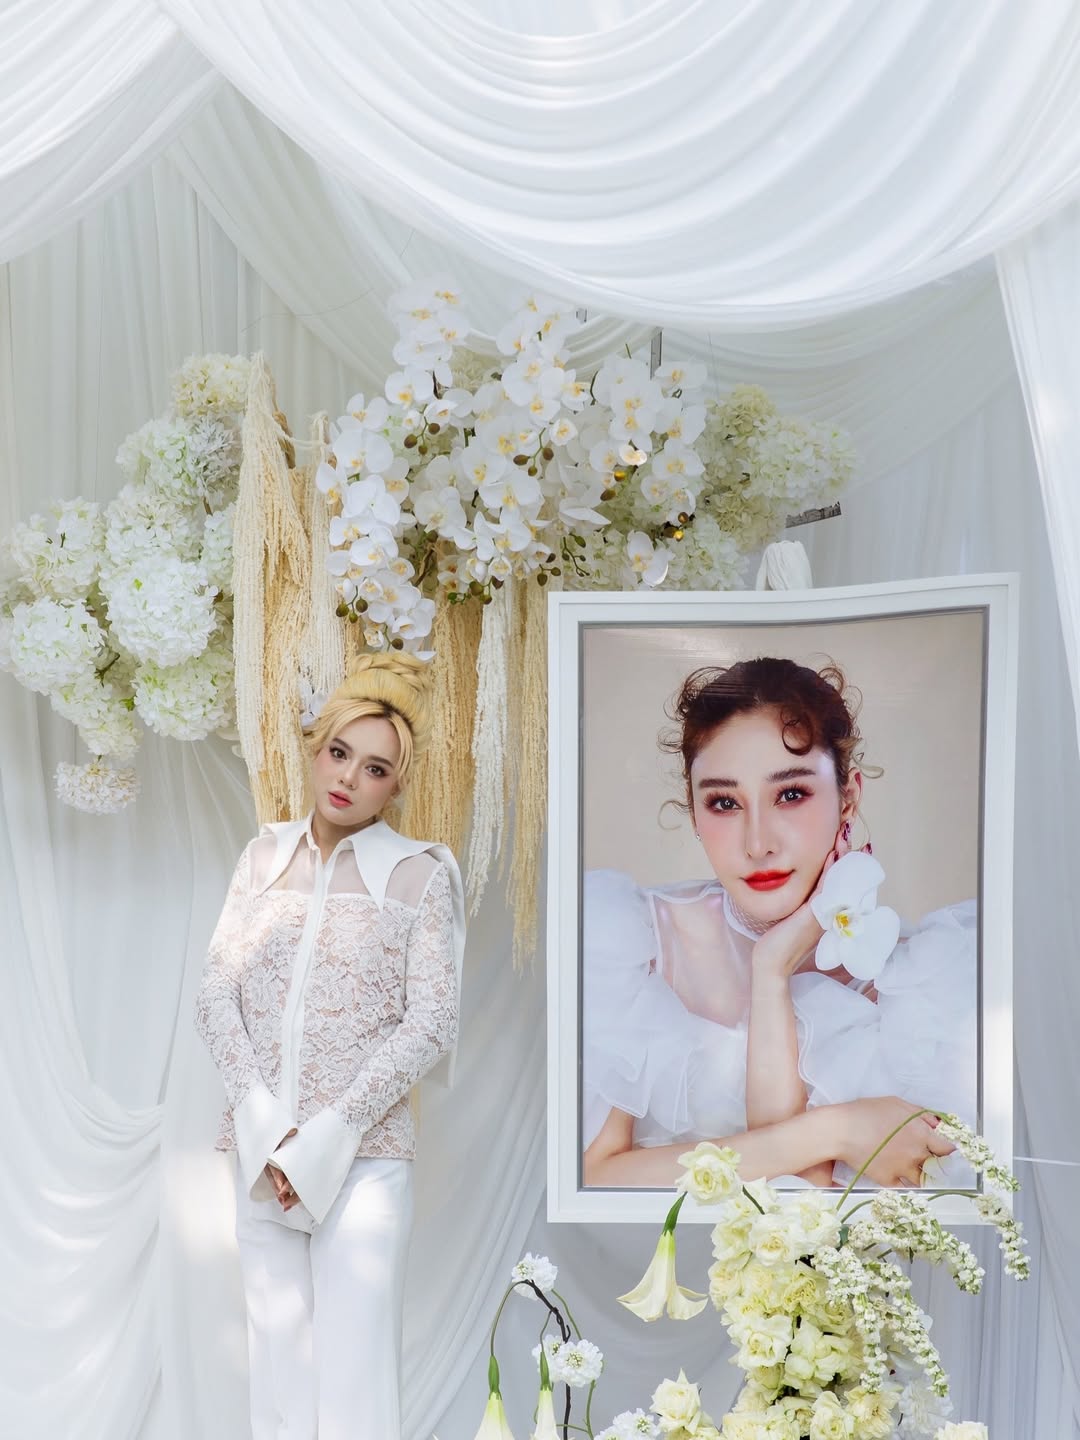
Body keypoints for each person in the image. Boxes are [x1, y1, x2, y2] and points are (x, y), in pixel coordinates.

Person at [194, 651, 464, 1440]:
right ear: (316, 751)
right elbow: (216, 995)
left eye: (375, 768)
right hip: (261, 1153)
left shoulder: (420, 874)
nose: (349, 777)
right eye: (340, 752)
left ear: (396, 786)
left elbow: (431, 1023)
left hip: (364, 1161)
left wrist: (325, 1138)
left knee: (353, 1382)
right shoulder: (262, 858)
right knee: (278, 1376)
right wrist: (267, 1128)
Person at [582, 657, 976, 1191]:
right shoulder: (631, 942)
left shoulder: (919, 983)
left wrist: (772, 969)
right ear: (694, 813)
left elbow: (803, 1205)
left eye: (790, 794)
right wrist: (832, 1131)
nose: (758, 842)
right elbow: (593, 1178)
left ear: (849, 798)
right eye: (724, 802)